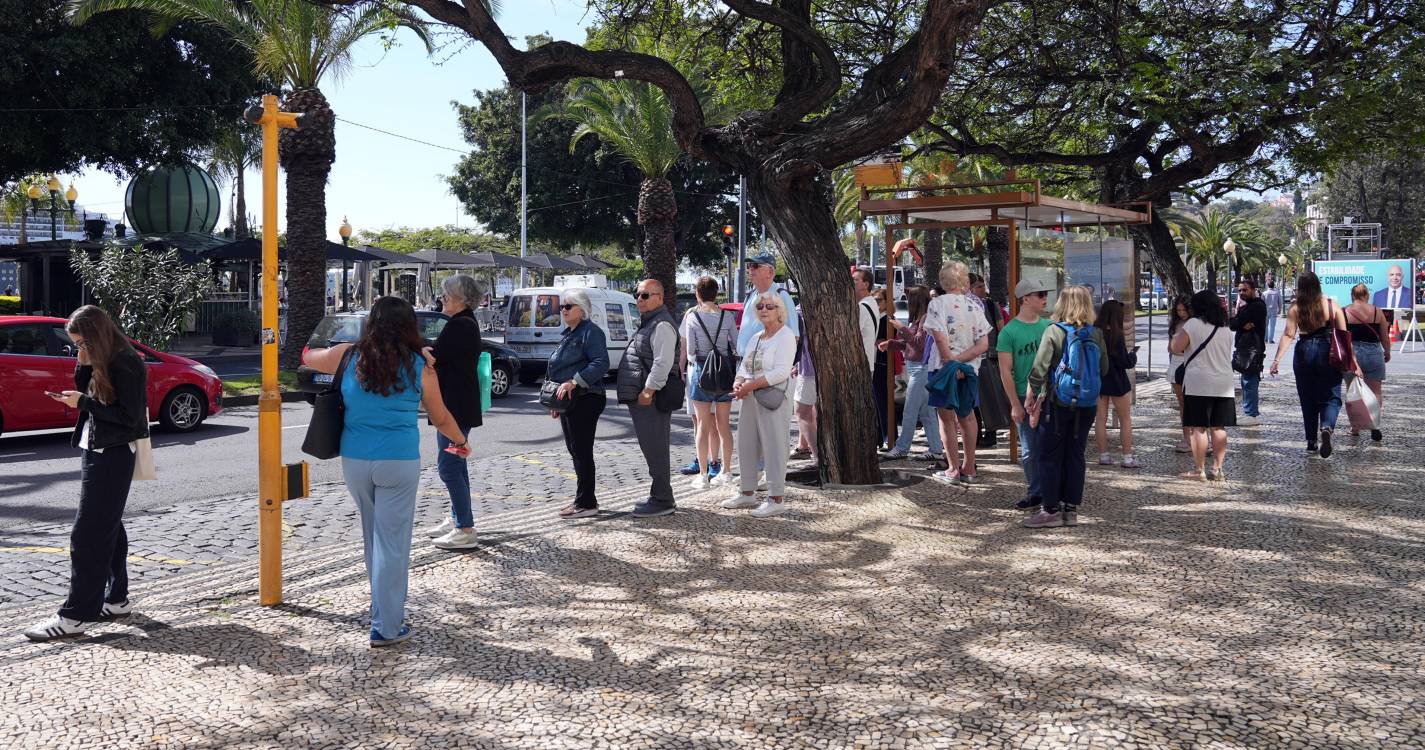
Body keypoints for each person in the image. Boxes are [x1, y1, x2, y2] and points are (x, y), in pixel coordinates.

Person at [302, 296, 471, 647]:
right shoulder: (419, 365)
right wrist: (460, 441)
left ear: (371, 323)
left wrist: (320, 339)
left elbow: (306, 356)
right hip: (398, 461)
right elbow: (440, 416)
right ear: (410, 326)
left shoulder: (348, 355)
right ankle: (386, 626)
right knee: (392, 544)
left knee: (373, 538)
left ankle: (381, 612)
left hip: (355, 461)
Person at [24, 306, 149, 641]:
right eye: (75, 344)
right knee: (108, 527)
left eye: (82, 343)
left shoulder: (126, 362)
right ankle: (117, 599)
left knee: (87, 535)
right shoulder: (102, 357)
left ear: (97, 336)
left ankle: (75, 616)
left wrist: (83, 403)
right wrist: (83, 364)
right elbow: (91, 393)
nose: (79, 348)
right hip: (96, 448)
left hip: (113, 453)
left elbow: (129, 417)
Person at [1022, 286, 1110, 528]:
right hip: (1087, 405)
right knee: (1075, 454)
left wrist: (1031, 397)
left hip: (1057, 404)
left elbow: (1039, 369)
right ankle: (1070, 511)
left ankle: (1050, 510)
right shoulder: (1096, 334)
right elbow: (1103, 369)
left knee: (1049, 455)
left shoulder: (1054, 331)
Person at [424, 274, 485, 551]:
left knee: (449, 467)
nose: (443, 299)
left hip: (454, 407)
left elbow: (436, 356)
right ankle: (458, 517)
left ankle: (465, 528)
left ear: (461, 300)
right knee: (456, 466)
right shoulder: (464, 323)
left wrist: (421, 349)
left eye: (447, 295)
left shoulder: (460, 325)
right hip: (458, 403)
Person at [724, 291, 797, 517]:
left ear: (779, 311)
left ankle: (776, 498)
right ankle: (747, 493)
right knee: (746, 444)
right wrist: (738, 383)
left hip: (773, 398)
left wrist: (750, 385)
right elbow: (745, 366)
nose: (764, 310)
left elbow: (781, 371)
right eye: (760, 307)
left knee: (774, 446)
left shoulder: (785, 335)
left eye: (769, 306)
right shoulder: (756, 337)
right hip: (750, 397)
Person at [617, 279, 681, 517]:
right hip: (643, 396)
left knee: (655, 448)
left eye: (645, 295)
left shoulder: (661, 324)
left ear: (660, 298)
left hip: (650, 398)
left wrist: (648, 390)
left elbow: (662, 363)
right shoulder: (651, 322)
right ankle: (661, 495)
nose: (639, 299)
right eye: (638, 295)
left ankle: (662, 499)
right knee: (651, 447)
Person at [925, 261, 992, 485]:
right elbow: (983, 344)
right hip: (970, 369)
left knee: (946, 418)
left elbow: (939, 337)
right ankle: (969, 467)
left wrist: (951, 363)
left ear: (943, 282)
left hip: (942, 369)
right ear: (965, 282)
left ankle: (953, 468)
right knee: (968, 416)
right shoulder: (975, 306)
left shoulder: (937, 304)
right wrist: (962, 362)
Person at [546, 289, 611, 518]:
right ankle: (582, 498)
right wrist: (557, 400)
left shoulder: (591, 332)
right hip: (571, 401)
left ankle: (587, 502)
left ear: (581, 310)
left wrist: (575, 382)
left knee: (582, 450)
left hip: (587, 397)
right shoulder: (570, 333)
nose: (562, 310)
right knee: (575, 450)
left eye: (567, 306)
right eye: (562, 306)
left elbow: (601, 363)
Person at [1271, 272, 1349, 457]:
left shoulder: (1296, 308)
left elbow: (1289, 335)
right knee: (1331, 395)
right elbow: (1344, 334)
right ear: (1318, 285)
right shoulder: (1331, 305)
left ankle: (1311, 441)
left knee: (1307, 397)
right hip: (1327, 351)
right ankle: (1327, 427)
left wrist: (1276, 360)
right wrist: (1351, 362)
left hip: (1304, 350)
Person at [997, 279, 1054, 512]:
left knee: (1049, 447)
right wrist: (1015, 404)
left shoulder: (1049, 327)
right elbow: (1005, 371)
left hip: (1050, 397)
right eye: (1040, 294)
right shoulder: (1009, 332)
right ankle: (1035, 492)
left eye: (1044, 294)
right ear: (1026, 298)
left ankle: (1051, 491)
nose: (1044, 298)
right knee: (1030, 450)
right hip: (1023, 396)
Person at [1170, 290, 1235, 481]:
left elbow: (1176, 348)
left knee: (1198, 427)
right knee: (1218, 427)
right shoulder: (1225, 328)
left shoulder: (1193, 324)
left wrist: (1177, 335)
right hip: (1224, 383)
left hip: (1199, 382)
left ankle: (1199, 470)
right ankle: (1217, 469)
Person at [682, 276, 738, 488]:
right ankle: (726, 471)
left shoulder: (693, 317)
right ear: (717, 293)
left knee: (703, 426)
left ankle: (703, 475)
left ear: (697, 293)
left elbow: (691, 352)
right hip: (724, 373)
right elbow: (736, 344)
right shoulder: (727, 316)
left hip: (701, 373)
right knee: (724, 425)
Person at [881, 286, 945, 461]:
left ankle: (902, 448)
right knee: (927, 412)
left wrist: (901, 328)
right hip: (918, 368)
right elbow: (912, 344)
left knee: (910, 410)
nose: (907, 303)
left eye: (910, 300)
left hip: (921, 369)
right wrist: (893, 344)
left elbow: (918, 343)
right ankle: (936, 449)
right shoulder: (921, 318)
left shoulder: (925, 319)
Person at [1092, 299, 1139, 468]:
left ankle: (1104, 456)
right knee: (1125, 419)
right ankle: (1127, 458)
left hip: (1099, 380)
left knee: (1100, 419)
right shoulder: (1116, 335)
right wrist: (1133, 355)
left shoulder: (1094, 331)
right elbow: (1124, 362)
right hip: (1117, 381)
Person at [1344, 283, 1389, 442]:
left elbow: (1343, 338)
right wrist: (1387, 351)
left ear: (1352, 295)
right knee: (1376, 391)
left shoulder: (1345, 311)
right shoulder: (1377, 311)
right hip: (1374, 353)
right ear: (1367, 295)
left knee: (1353, 392)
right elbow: (1384, 335)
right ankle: (1375, 425)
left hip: (1353, 354)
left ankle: (1355, 428)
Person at [736, 251, 799, 355]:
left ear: (770, 272)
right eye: (749, 265)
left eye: (756, 266)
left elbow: (793, 337)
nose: (751, 269)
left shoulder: (781, 296)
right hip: (743, 364)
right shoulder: (750, 296)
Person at [970, 273, 1005, 449]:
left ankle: (991, 434)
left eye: (983, 286)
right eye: (978, 286)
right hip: (973, 356)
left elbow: (1001, 328)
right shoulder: (966, 307)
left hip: (991, 355)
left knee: (991, 395)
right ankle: (976, 434)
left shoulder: (991, 305)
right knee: (975, 398)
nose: (983, 289)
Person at [1230, 280, 1267, 427]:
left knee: (1250, 381)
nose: (1241, 293)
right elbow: (1233, 324)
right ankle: (1248, 412)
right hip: (1245, 348)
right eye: (1239, 290)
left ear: (1253, 290)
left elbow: (1237, 322)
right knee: (1245, 381)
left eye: (1244, 290)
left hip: (1253, 349)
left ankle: (1251, 414)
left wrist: (1239, 322)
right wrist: (1239, 323)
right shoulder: (1246, 307)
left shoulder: (1257, 306)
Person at [790, 308, 818, 462]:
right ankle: (809, 449)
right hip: (819, 367)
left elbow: (797, 340)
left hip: (809, 368)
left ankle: (818, 457)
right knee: (814, 412)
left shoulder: (800, 311)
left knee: (802, 412)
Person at [1166, 296, 1194, 453]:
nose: (1182, 313)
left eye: (1184, 310)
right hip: (1176, 362)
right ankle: (1187, 438)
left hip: (1189, 362)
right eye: (1179, 310)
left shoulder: (1194, 323)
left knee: (1194, 403)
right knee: (1182, 403)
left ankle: (1200, 439)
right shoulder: (1175, 323)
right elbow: (1170, 346)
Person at [871, 286, 896, 448]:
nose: (876, 303)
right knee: (877, 403)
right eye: (874, 300)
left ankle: (889, 436)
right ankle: (881, 436)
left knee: (885, 403)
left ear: (887, 302)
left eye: (879, 300)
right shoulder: (877, 317)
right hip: (876, 364)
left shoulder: (887, 320)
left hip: (884, 365)